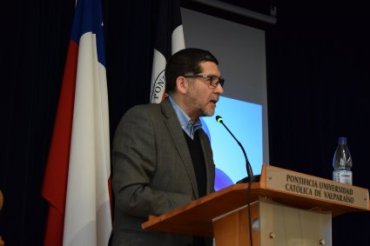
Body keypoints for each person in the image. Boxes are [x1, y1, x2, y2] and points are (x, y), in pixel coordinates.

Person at [111, 48, 224, 246]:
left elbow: (202, 194)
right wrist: (193, 206)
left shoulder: (202, 138)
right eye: (211, 80)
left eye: (219, 82)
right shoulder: (143, 120)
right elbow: (129, 194)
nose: (219, 90)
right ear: (182, 84)